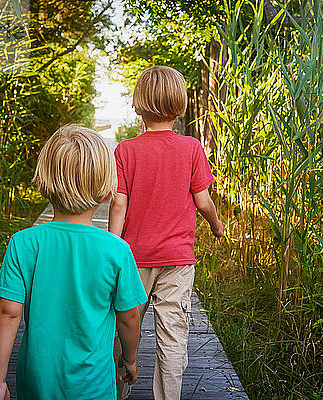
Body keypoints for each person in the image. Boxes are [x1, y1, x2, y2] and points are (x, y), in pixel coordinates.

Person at [0, 125, 148, 400]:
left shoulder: (24, 243)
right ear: (106, 189)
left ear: (42, 180)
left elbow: (8, 313)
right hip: (95, 385)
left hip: (37, 384)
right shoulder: (117, 250)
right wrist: (129, 359)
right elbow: (129, 317)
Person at [109, 66, 224, 400]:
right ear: (180, 104)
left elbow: (118, 206)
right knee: (173, 338)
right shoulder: (191, 148)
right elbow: (203, 201)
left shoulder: (125, 151)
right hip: (177, 261)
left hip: (132, 261)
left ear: (138, 105)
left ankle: (116, 392)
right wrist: (217, 226)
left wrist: (113, 249)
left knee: (122, 329)